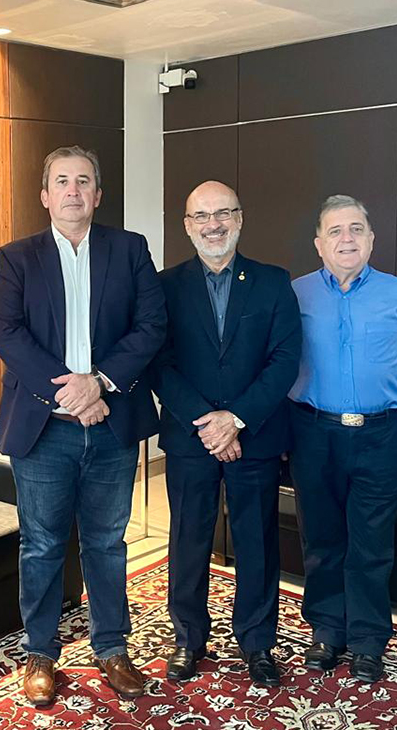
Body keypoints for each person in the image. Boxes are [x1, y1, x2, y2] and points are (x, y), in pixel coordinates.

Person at [0, 146, 166, 707]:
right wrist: (73, 387)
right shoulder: (16, 258)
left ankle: (111, 647)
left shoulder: (130, 249)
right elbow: (9, 336)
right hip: (45, 428)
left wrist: (102, 382)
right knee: (42, 545)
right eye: (61, 181)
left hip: (111, 424)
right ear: (45, 195)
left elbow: (151, 325)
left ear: (98, 194)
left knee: (107, 543)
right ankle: (41, 654)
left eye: (83, 181)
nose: (72, 191)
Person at [288, 194, 397, 683]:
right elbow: (273, 364)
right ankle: (325, 631)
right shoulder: (294, 294)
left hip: (383, 435)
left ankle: (367, 640)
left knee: (371, 543)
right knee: (320, 539)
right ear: (318, 243)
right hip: (312, 432)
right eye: (335, 231)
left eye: (356, 229)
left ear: (372, 239)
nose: (346, 239)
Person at [151, 181, 301, 688]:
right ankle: (188, 638)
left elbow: (284, 363)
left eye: (223, 213)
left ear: (240, 218)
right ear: (187, 225)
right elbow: (159, 362)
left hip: (253, 436)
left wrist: (235, 419)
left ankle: (258, 643)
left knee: (256, 541)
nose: (213, 224)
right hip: (190, 437)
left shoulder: (274, 282)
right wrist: (208, 423)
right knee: (188, 538)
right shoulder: (164, 286)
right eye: (201, 216)